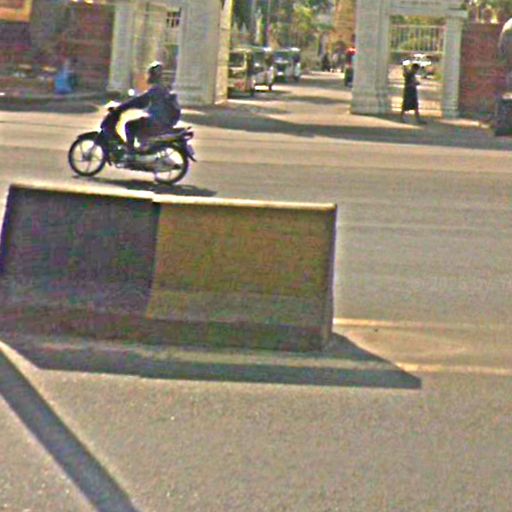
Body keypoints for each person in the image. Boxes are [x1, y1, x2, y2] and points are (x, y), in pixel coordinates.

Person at [114, 61, 181, 159]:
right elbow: (143, 103)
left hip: (157, 122)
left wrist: (121, 108)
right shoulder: (163, 87)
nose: (147, 76)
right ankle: (143, 146)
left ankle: (131, 154)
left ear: (153, 75)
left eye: (149, 74)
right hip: (163, 121)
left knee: (130, 125)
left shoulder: (156, 89)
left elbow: (140, 100)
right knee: (140, 122)